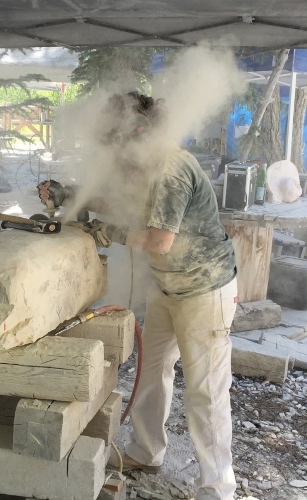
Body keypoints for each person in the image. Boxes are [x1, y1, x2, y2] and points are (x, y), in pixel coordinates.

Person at [37, 93, 238, 500]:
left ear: (139, 131)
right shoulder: (147, 165)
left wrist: (108, 233)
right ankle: (146, 452)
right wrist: (72, 193)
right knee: (152, 373)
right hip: (167, 287)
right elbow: (126, 205)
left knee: (205, 389)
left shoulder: (171, 167)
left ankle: (218, 486)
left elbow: (161, 240)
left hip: (204, 289)